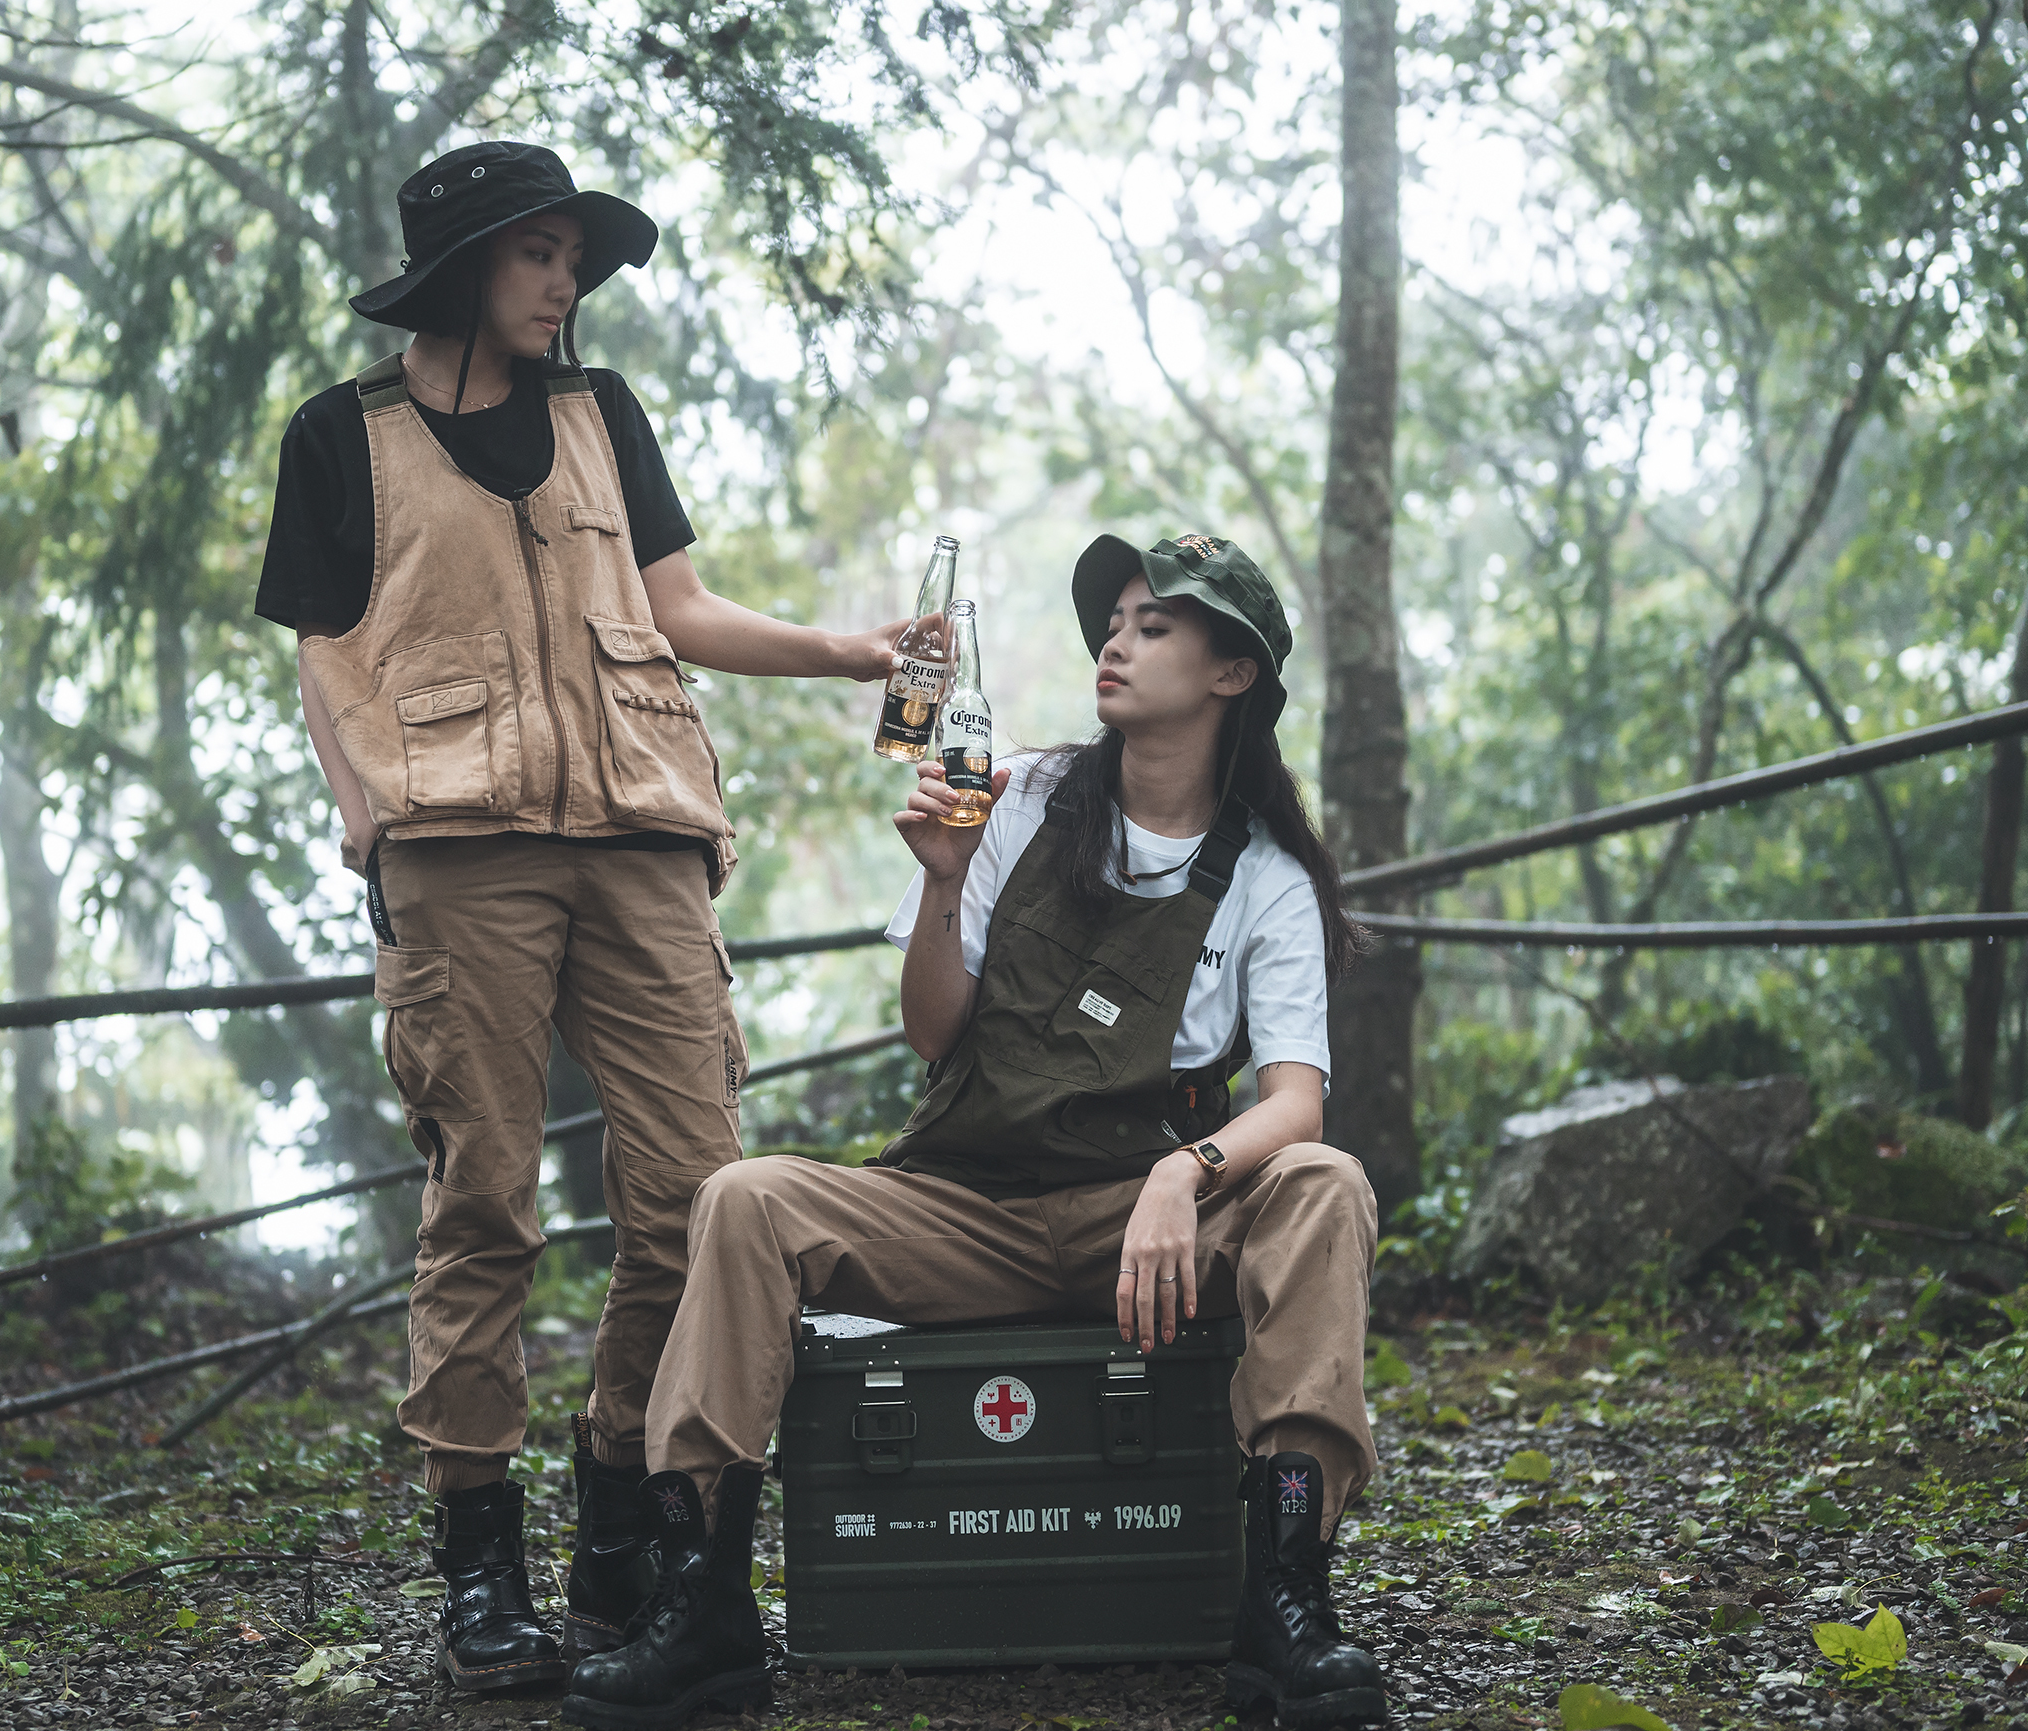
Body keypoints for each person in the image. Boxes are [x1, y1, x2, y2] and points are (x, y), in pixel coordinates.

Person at [254, 141, 906, 1691]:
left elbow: (676, 608)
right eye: (537, 254)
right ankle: (480, 1565)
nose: (566, 282)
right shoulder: (342, 433)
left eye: (572, 256)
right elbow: (324, 649)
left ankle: (623, 1514)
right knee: (485, 1200)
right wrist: (360, 811)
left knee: (700, 1194)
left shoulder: (602, 412)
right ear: (463, 267)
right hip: (456, 847)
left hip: (642, 836)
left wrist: (850, 651)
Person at [562, 532, 1395, 1731]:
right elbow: (935, 1034)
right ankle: (703, 1605)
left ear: (1233, 674)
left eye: (1155, 625)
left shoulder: (1268, 877)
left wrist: (1183, 1172)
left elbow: (1296, 1101)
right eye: (1113, 622)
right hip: (966, 1210)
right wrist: (947, 882)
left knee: (1323, 1179)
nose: (1116, 642)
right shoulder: (1026, 795)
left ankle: (1287, 1599)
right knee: (743, 1198)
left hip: (1142, 1232)